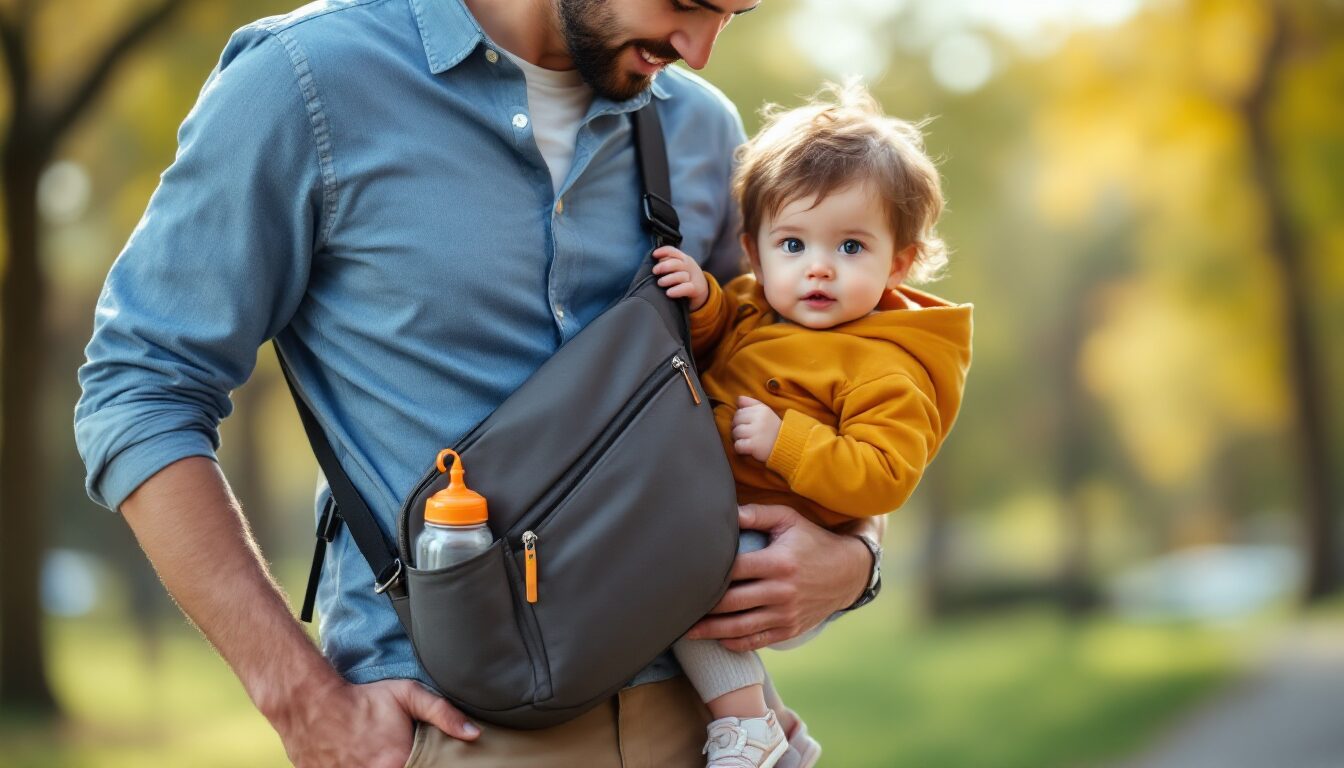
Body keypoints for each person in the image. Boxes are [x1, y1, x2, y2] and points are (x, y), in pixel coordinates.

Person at [74, 0, 886, 766]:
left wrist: (856, 556)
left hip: (711, 723)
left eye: (732, 15)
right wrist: (298, 697)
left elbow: (800, 368)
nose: (698, 50)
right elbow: (139, 388)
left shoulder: (700, 127)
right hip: (456, 729)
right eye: (686, 2)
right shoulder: (306, 81)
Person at [652, 82, 973, 768]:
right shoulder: (759, 305)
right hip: (722, 512)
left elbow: (884, 477)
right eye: (793, 244)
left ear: (899, 262)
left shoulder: (885, 367)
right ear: (754, 250)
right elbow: (722, 330)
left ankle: (749, 729)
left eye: (851, 247)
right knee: (668, 565)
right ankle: (786, 739)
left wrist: (786, 442)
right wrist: (702, 300)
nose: (818, 268)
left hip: (781, 545)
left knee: (676, 577)